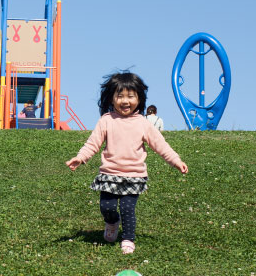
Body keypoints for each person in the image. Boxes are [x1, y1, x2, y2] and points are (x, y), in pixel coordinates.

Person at [65, 71, 188, 254]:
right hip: (110, 174)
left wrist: (176, 161)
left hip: (134, 175)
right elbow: (93, 143)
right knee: (106, 207)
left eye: (131, 96)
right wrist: (80, 157)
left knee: (127, 208)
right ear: (111, 98)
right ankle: (112, 223)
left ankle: (128, 239)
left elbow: (160, 145)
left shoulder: (143, 123)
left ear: (139, 98)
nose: (125, 101)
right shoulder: (106, 120)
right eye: (120, 96)